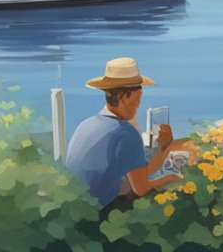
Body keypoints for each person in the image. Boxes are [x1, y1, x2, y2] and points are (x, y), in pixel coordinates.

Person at [65, 57, 194, 211]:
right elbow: (141, 188)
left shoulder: (87, 124)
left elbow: (140, 172)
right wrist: (169, 179)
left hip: (74, 207)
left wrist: (165, 149)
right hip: (98, 214)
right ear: (125, 97)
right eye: (138, 99)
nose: (138, 107)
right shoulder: (125, 133)